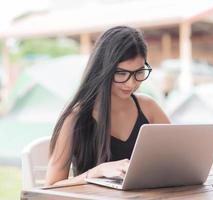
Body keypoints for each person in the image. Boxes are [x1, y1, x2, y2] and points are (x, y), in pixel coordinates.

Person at [45, 26, 170, 186]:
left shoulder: (148, 107)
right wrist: (97, 172)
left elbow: (177, 159)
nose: (131, 83)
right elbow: (50, 187)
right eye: (121, 73)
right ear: (103, 70)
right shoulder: (76, 117)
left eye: (139, 72)